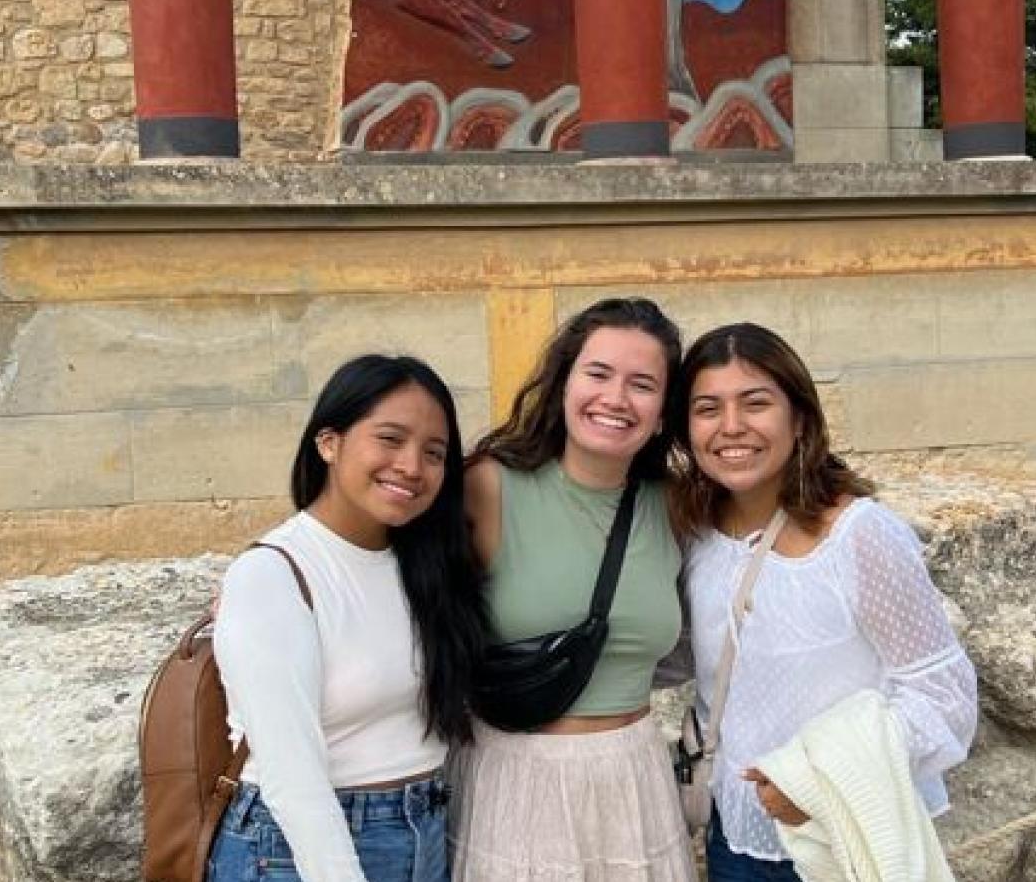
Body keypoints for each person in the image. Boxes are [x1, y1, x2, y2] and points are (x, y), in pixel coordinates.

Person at [670, 323, 978, 880]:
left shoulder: (859, 536)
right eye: (708, 408)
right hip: (732, 837)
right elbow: (685, 655)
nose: (732, 427)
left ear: (800, 417)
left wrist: (816, 781)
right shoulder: (697, 535)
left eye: (756, 403)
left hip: (844, 833)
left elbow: (944, 697)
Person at [209, 354, 490, 882]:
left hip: (424, 831)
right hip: (298, 851)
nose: (411, 466)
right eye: (389, 439)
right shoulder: (273, 574)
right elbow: (293, 778)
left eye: (434, 453)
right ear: (329, 442)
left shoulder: (428, 568)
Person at [451, 298, 693, 881]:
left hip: (634, 780)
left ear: (663, 411)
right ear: (563, 383)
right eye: (598, 373)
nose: (615, 398)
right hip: (514, 780)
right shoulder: (486, 486)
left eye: (642, 384)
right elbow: (393, 574)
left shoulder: (681, 505)